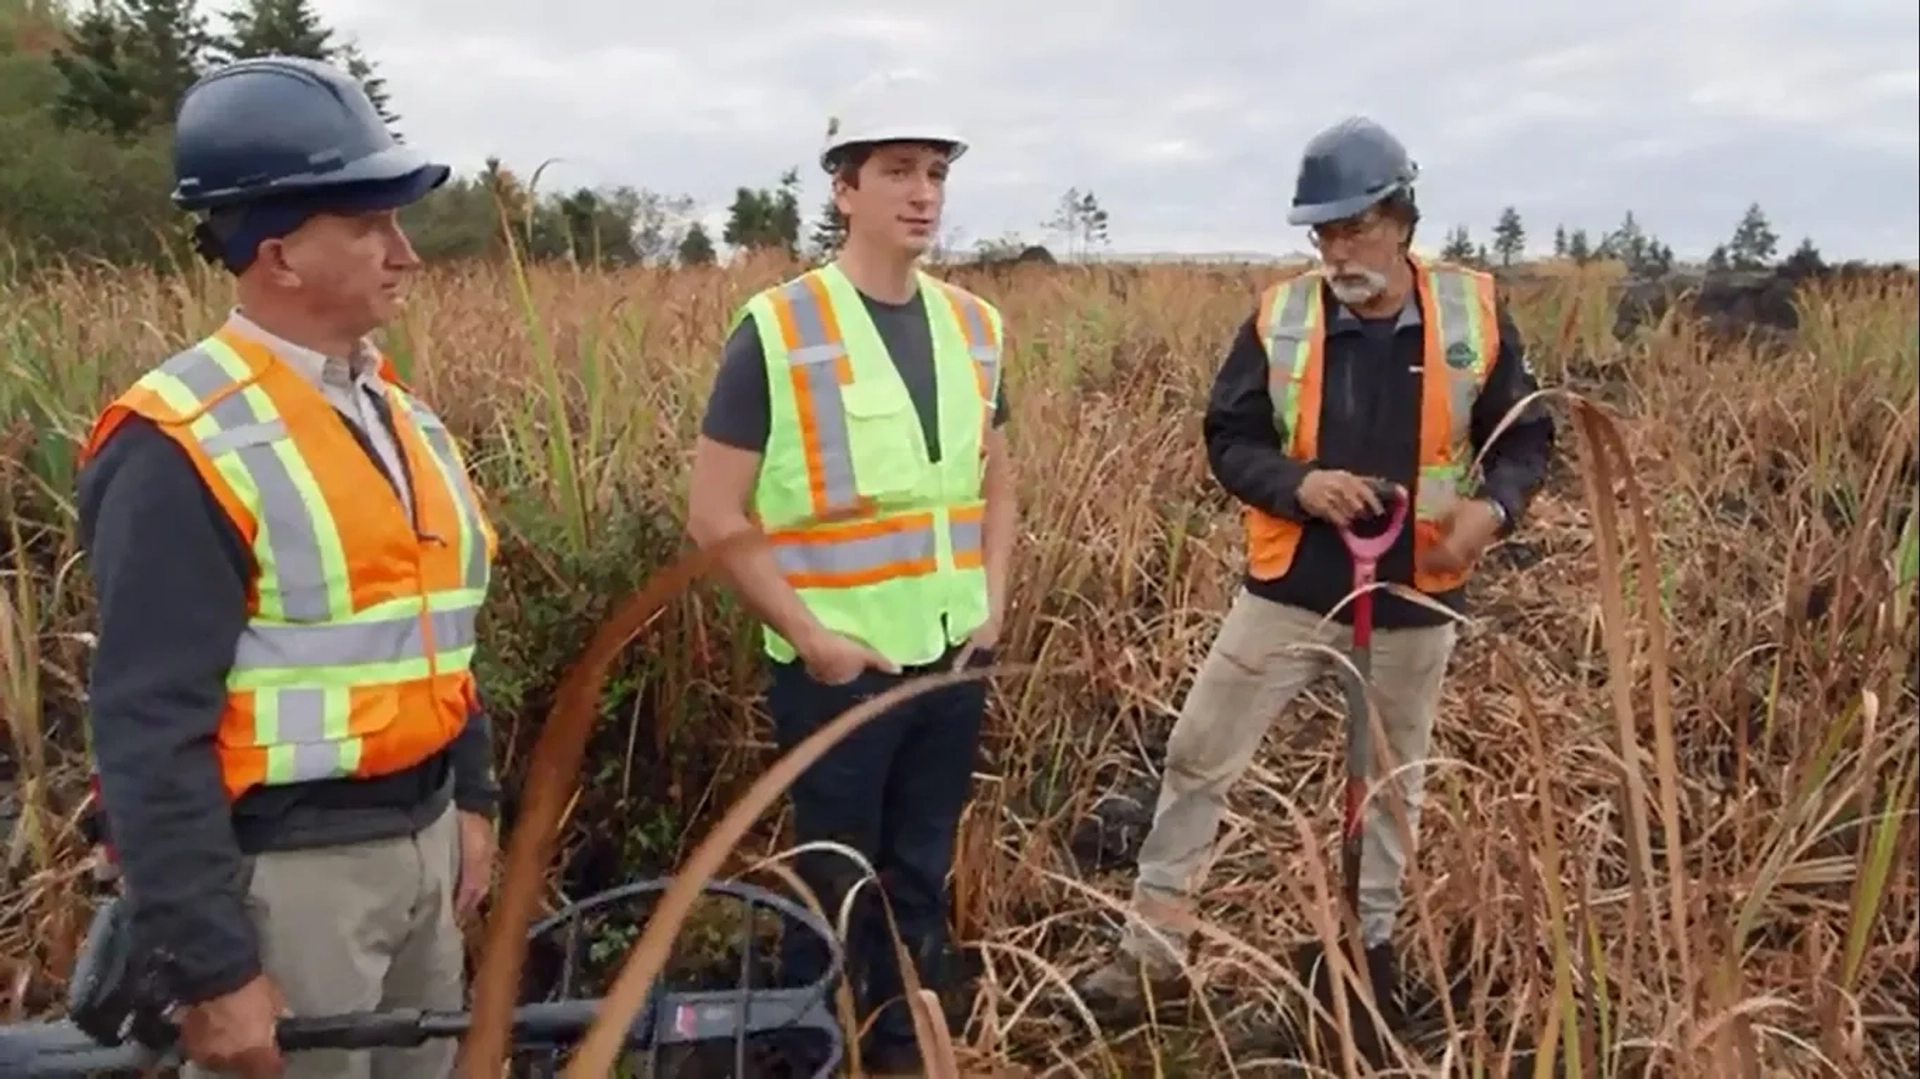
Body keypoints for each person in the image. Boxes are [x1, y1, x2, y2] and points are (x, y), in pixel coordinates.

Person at [74, 56, 501, 1079]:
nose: (405, 252)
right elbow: (146, 724)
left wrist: (469, 803)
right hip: (289, 880)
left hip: (424, 851)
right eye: (370, 224)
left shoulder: (400, 415)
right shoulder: (178, 439)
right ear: (281, 254)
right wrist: (213, 965)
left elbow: (434, 628)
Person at [1075, 116, 1556, 1023]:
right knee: (1198, 754)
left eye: (1354, 228)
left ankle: (1364, 948)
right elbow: (1229, 438)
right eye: (1324, 233)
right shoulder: (1279, 318)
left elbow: (1525, 433)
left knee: (1388, 785)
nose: (1337, 250)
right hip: (1292, 583)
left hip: (1415, 595)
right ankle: (1152, 953)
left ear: (1402, 219)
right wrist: (1300, 484)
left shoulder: (1473, 314)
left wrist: (1490, 516)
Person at [684, 69, 1015, 1075]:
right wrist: (815, 635)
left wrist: (994, 600)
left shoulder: (977, 327)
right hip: (838, 670)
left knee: (920, 868)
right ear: (844, 188)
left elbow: (998, 484)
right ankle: (810, 1042)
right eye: (898, 171)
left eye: (935, 173)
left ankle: (906, 1042)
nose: (923, 192)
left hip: (954, 654)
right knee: (836, 875)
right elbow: (713, 510)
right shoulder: (776, 330)